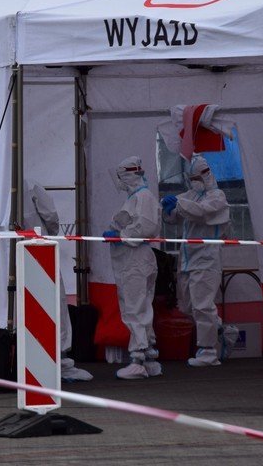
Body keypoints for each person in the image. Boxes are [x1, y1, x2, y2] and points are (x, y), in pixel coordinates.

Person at [161, 154, 230, 367]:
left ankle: (208, 352)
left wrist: (178, 204)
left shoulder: (217, 197)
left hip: (207, 258)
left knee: (202, 305)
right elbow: (174, 218)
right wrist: (168, 209)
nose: (194, 181)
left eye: (198, 176)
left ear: (207, 175)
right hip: (188, 258)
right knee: (188, 305)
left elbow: (201, 212)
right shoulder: (192, 195)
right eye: (191, 177)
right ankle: (220, 329)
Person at [23, 179, 93, 383]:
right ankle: (60, 362)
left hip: (12, 252)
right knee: (54, 304)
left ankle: (35, 361)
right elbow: (50, 216)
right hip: (40, 250)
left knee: (26, 308)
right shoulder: (30, 184)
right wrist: (48, 233)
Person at [104, 157, 162, 380]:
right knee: (141, 306)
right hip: (135, 258)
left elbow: (146, 226)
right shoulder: (137, 198)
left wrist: (121, 235)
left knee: (135, 307)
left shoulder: (142, 197)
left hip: (136, 259)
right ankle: (149, 357)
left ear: (128, 175)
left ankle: (138, 358)